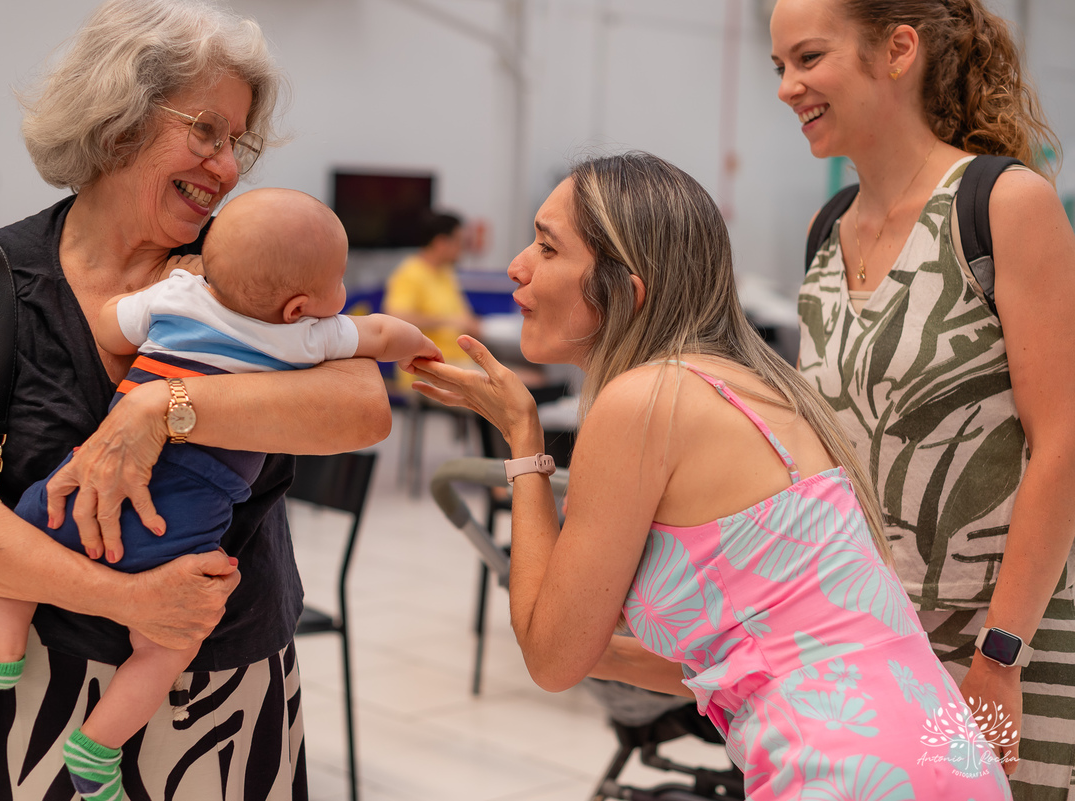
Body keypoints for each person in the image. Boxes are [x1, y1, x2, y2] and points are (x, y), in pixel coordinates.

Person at [0, 2, 393, 799]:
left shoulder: (244, 267)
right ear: (120, 119)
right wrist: (129, 600)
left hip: (229, 688)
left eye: (237, 143)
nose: (227, 168)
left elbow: (363, 404)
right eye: (207, 131)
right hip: (42, 688)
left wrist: (163, 409)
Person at [409, 151, 1011, 800]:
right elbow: (753, 662)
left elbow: (549, 656)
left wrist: (524, 443)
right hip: (944, 759)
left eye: (548, 249)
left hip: (840, 772)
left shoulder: (644, 399)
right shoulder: (760, 388)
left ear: (625, 289)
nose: (516, 266)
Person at [0, 187, 439, 799]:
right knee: (164, 648)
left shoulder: (178, 294)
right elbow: (382, 336)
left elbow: (109, 325)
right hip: (175, 526)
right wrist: (417, 347)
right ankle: (97, 745)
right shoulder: (306, 337)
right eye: (336, 282)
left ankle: (2, 651)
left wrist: (153, 302)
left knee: (11, 553)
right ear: (298, 306)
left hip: (84, 490)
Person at [771, 0, 1075, 795]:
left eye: (807, 58)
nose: (786, 87)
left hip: (997, 642)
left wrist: (999, 658)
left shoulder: (1005, 205)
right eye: (779, 68)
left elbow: (1063, 443)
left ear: (898, 49)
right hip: (867, 640)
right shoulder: (826, 227)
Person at [383, 210, 481, 385]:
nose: (462, 248)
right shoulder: (410, 273)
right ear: (441, 243)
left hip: (457, 361)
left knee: (521, 381)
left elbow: (465, 317)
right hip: (426, 367)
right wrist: (448, 321)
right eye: (459, 242)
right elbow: (395, 317)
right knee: (512, 388)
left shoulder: (446, 272)